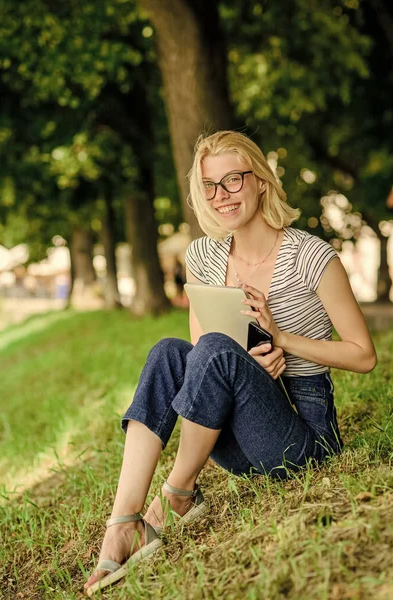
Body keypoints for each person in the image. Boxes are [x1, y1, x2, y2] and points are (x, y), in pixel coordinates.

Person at [84, 131, 377, 595]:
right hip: (235, 434)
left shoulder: (311, 256)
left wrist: (282, 338)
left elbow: (364, 355)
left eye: (234, 180)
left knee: (217, 350)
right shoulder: (203, 255)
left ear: (261, 181)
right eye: (210, 186)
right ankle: (123, 523)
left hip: (301, 438)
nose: (221, 196)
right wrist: (251, 366)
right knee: (167, 351)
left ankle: (177, 494)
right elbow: (203, 351)